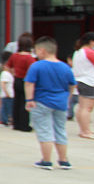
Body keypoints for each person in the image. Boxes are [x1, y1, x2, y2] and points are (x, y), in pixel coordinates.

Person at [26, 36, 77, 169]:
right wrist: (68, 98)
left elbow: (30, 83)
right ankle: (64, 160)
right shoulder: (65, 67)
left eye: (36, 50)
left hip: (42, 102)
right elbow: (72, 85)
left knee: (45, 131)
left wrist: (29, 100)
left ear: (42, 50)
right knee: (60, 130)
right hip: (61, 103)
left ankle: (47, 160)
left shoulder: (37, 66)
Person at [71, 31, 94, 140]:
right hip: (91, 82)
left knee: (82, 107)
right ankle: (86, 131)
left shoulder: (78, 52)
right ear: (92, 41)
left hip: (81, 81)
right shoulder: (90, 52)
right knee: (87, 108)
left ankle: (84, 130)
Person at [8, 33, 37, 132]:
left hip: (16, 80)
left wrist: (14, 74)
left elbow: (8, 66)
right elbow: (33, 71)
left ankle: (16, 124)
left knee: (16, 102)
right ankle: (24, 125)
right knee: (25, 103)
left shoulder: (14, 55)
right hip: (26, 81)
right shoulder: (30, 58)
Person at [0, 51, 16, 126]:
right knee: (7, 108)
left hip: (9, 94)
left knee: (7, 108)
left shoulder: (9, 74)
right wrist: (6, 93)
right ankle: (4, 120)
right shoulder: (5, 74)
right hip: (7, 95)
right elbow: (3, 84)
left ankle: (5, 120)